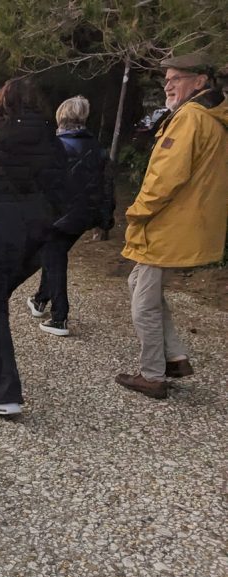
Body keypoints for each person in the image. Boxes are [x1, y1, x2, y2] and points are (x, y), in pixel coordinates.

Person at [115, 53, 228, 399]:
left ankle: (153, 374)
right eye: (166, 79)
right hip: (187, 222)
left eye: (176, 78)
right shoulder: (210, 115)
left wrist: (137, 211)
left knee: (144, 298)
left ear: (199, 81)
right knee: (139, 283)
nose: (168, 84)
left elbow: (166, 176)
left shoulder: (190, 118)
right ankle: (175, 358)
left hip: (168, 223)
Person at [0, 77, 70, 416]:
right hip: (38, 239)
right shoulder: (55, 146)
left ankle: (4, 392)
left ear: (0, 105)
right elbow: (64, 190)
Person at [28, 95, 115, 337]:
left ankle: (59, 316)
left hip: (57, 216)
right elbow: (106, 185)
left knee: (54, 258)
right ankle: (40, 299)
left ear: (60, 117)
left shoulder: (55, 148)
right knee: (54, 255)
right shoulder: (98, 149)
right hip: (82, 216)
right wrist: (104, 218)